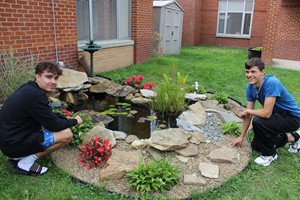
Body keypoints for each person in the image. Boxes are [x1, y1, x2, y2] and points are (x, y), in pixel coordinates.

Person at [0, 62, 83, 176]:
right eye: (48, 77)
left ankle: (20, 157)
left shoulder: (29, 88)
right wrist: (75, 121)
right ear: (37, 77)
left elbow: (45, 115)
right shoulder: (36, 96)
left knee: (54, 127)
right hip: (14, 146)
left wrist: (62, 117)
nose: (53, 82)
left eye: (55, 78)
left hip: (9, 141)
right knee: (66, 134)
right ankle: (25, 162)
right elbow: (54, 125)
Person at [231, 57, 300, 167]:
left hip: (292, 118)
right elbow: (248, 116)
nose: (249, 75)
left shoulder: (271, 83)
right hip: (277, 116)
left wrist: (248, 111)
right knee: (256, 146)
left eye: (253, 71)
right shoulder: (251, 87)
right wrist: (241, 137)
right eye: (247, 72)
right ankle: (294, 138)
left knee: (258, 122)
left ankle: (270, 155)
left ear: (263, 72)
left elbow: (266, 113)